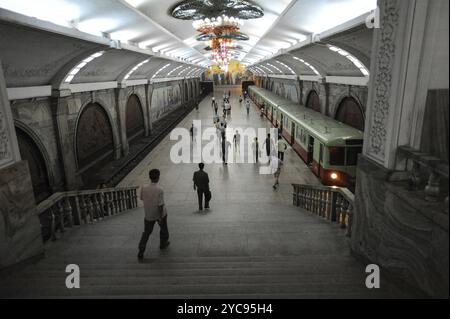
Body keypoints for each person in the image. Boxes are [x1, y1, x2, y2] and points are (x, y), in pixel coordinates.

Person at [138, 169, 170, 261]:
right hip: (160, 214)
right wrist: (160, 218)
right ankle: (163, 243)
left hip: (148, 214)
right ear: (158, 177)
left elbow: (141, 198)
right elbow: (160, 205)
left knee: (147, 232)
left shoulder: (144, 187)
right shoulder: (160, 189)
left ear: (150, 177)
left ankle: (141, 249)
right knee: (163, 229)